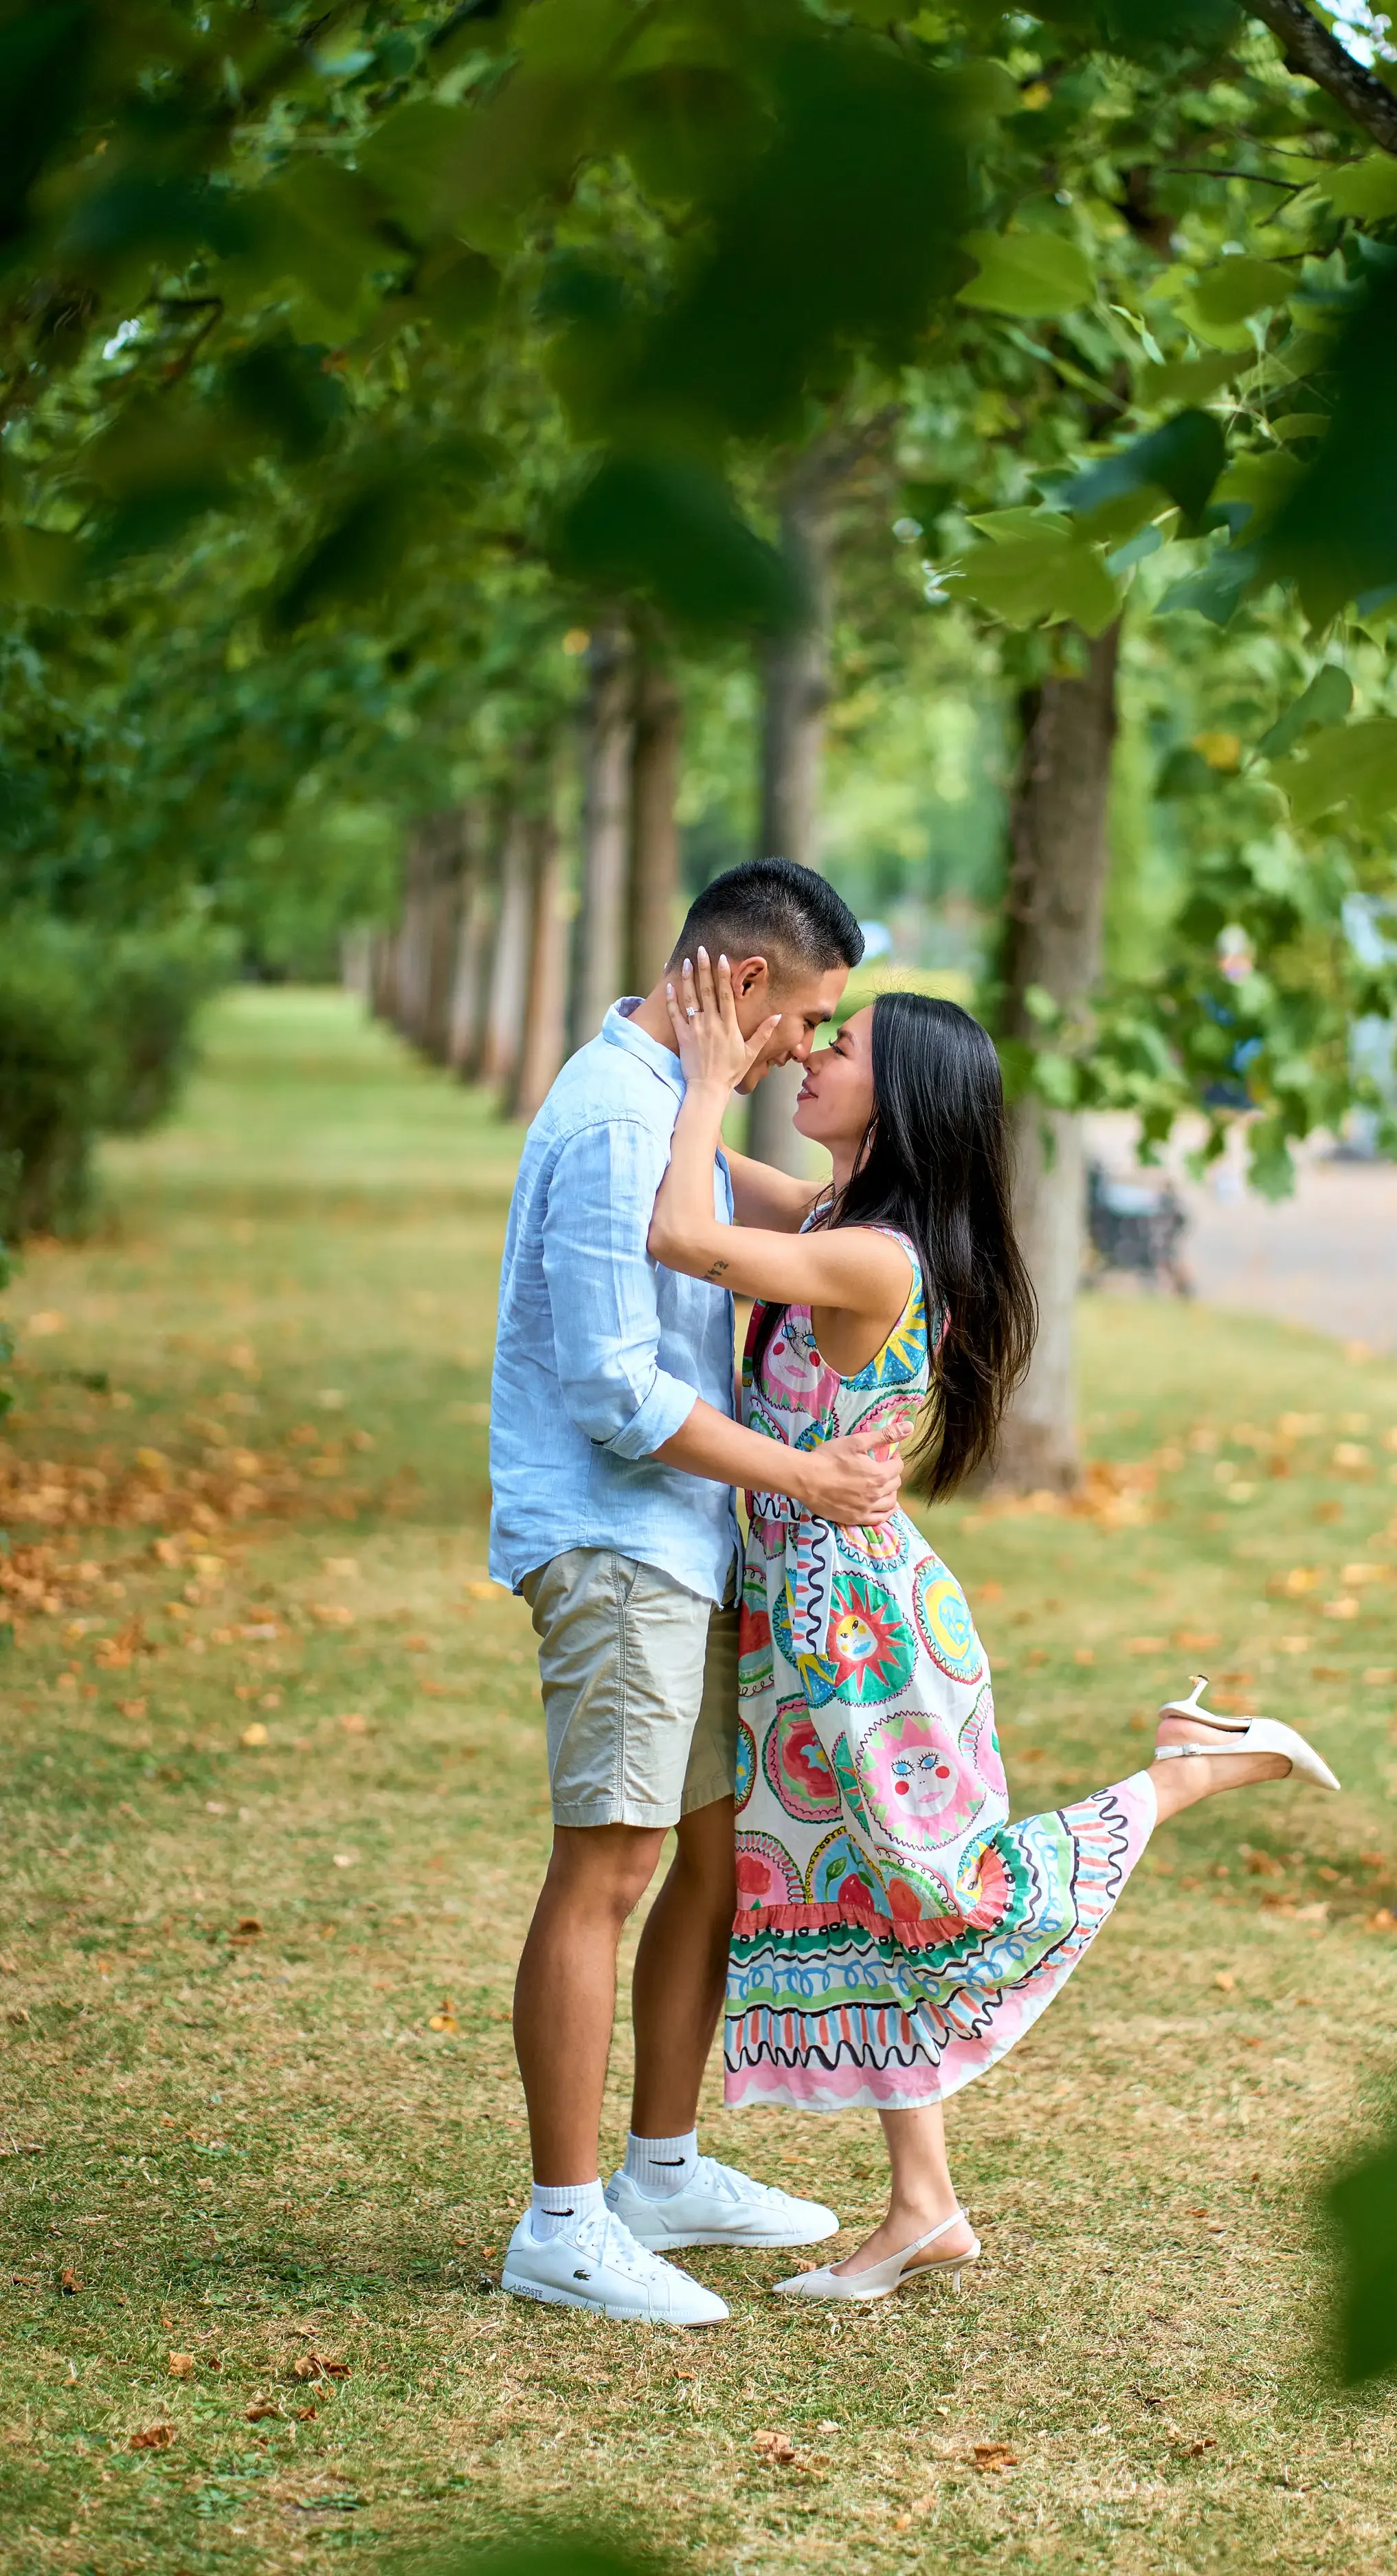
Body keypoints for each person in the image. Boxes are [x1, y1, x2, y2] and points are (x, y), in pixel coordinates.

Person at [648, 949, 1339, 2301]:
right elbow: (704, 1180)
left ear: (897, 1099)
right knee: (871, 1896)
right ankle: (923, 2205)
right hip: (806, 1620)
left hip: (858, 1635)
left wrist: (707, 1080)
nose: (811, 1057)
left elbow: (685, 1232)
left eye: (839, 1048)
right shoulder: (839, 1212)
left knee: (943, 1888)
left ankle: (1181, 1770)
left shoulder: (869, 1256)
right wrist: (693, 1064)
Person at [488, 860, 910, 2327]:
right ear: (739, 987)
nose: (805, 1047)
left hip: (682, 1541)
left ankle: (659, 2171)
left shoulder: (673, 1113)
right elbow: (615, 1388)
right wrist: (803, 1479)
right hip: (617, 1542)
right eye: (804, 1017)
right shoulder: (624, 1120)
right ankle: (561, 2224)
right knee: (605, 1866)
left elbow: (807, 1224)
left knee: (711, 1853)